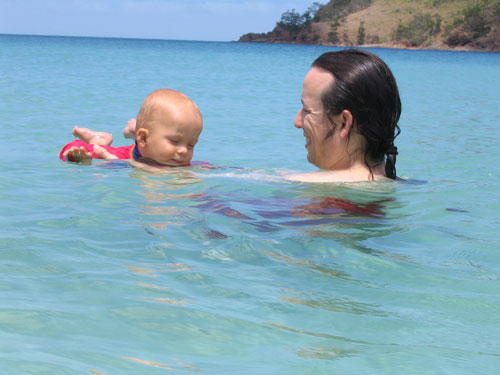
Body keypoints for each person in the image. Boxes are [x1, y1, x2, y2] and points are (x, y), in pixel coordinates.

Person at [288, 49, 401, 182]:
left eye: (307, 110)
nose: (297, 122)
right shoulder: (401, 183)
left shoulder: (298, 186)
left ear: (344, 123)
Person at [59, 89, 203, 167]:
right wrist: (77, 157)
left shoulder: (178, 160)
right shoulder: (121, 157)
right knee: (98, 149)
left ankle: (133, 129)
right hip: (133, 154)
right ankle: (98, 141)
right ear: (144, 138)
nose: (184, 150)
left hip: (144, 142)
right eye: (174, 141)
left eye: (191, 144)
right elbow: (73, 146)